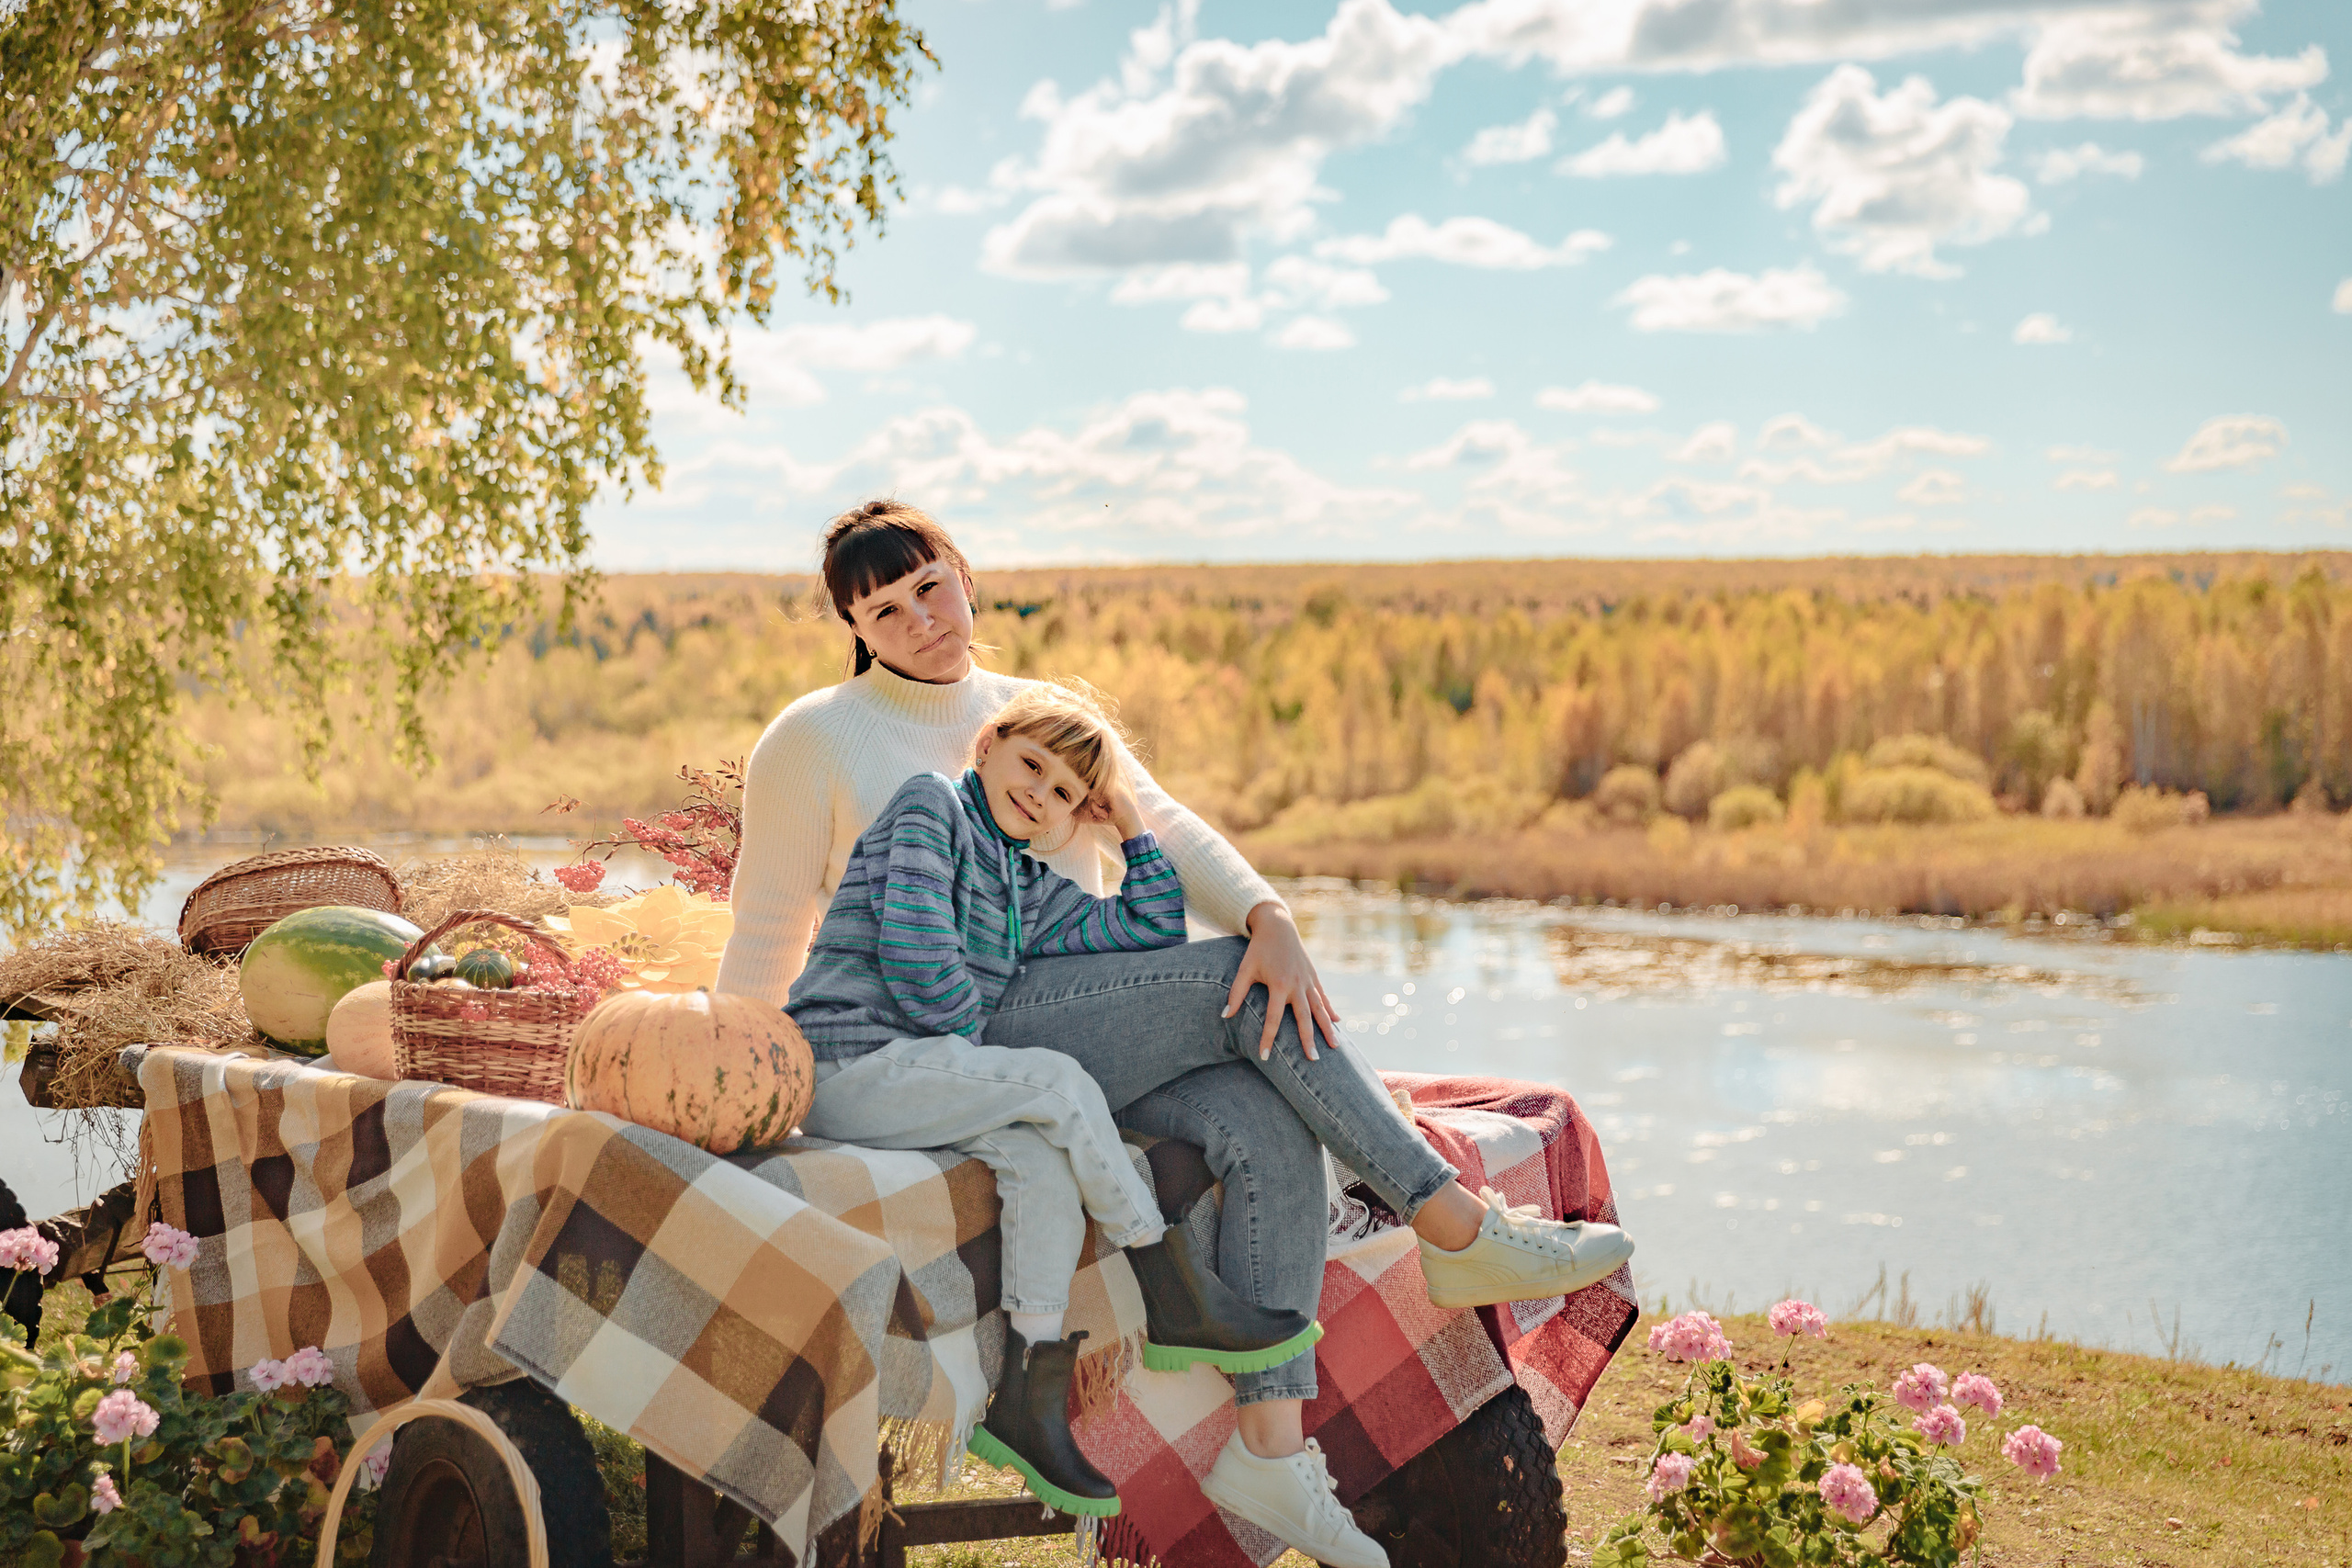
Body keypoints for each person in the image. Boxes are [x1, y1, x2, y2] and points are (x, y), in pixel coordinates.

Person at [719, 500, 1632, 1568]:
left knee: (1263, 1112)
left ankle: (1272, 1450)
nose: (920, 620)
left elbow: (1166, 824)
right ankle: (1449, 1220)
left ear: (964, 574)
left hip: (1101, 1019)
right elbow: (770, 924)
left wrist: (1269, 916)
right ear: (856, 629)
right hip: (980, 1028)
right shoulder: (815, 738)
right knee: (1228, 987)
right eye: (883, 610)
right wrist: (740, 1083)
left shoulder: (1036, 710)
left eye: (930, 587)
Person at [786, 684, 1317, 1516]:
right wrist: (1000, 1041)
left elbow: (1149, 928)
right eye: (1031, 764)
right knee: (1058, 1082)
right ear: (989, 743)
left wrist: (1132, 824)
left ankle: (1027, 1398)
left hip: (919, 1074)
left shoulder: (1023, 882)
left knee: (1041, 1161)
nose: (1039, 793)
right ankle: (1167, 1281)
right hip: (849, 1062)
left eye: (1064, 793)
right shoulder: (930, 806)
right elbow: (926, 977)